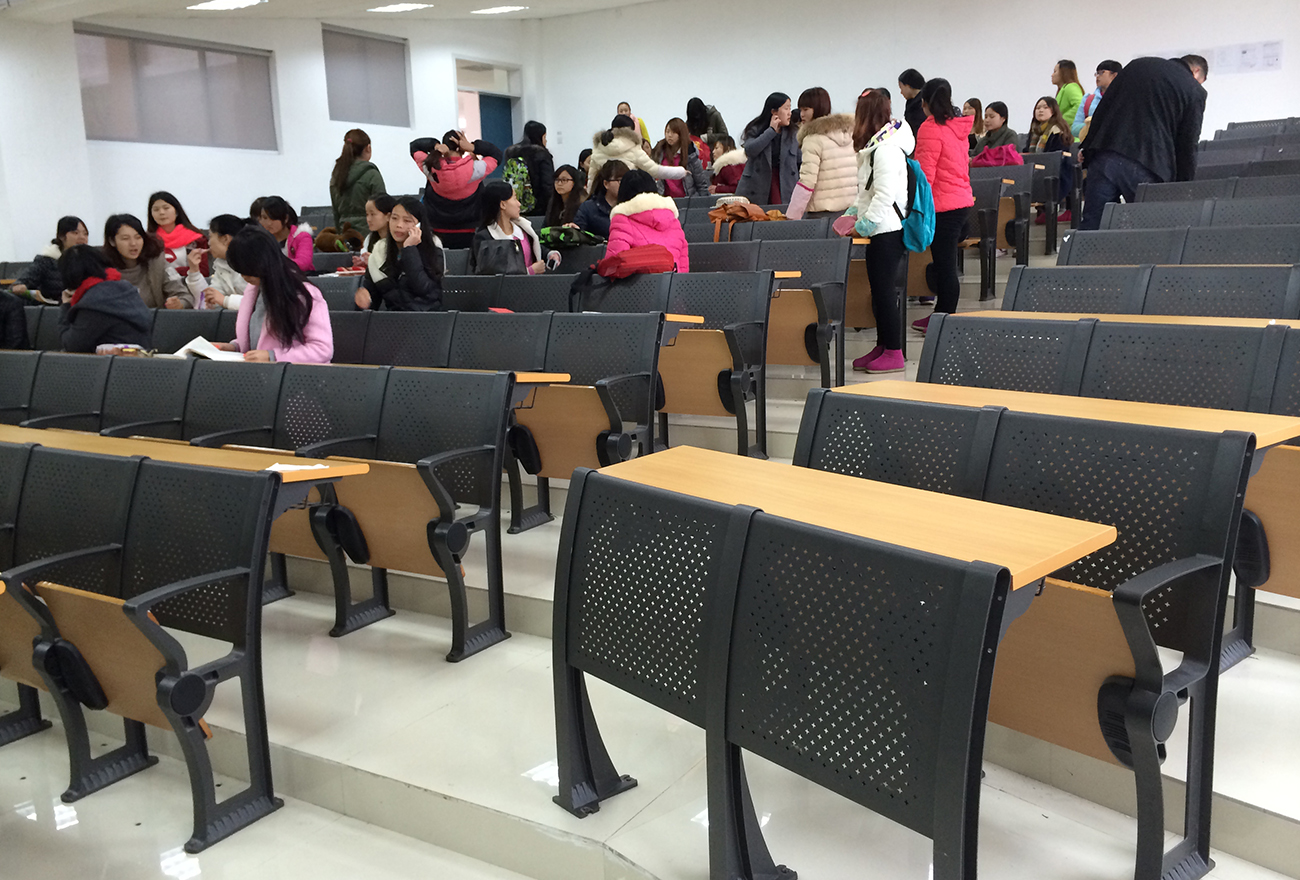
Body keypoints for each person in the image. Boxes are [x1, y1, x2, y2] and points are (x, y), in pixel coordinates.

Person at [1079, 55, 1208, 231]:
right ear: (1196, 71)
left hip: (1105, 154)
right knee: (1148, 230)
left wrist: (1088, 148)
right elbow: (1188, 142)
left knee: (1093, 226)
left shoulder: (1138, 65)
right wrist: (1182, 187)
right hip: (1150, 162)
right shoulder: (1193, 89)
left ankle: (1086, 250)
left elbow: (1104, 107)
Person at [847, 89, 914, 374]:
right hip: (877, 229)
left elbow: (885, 195)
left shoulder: (886, 149)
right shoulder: (875, 146)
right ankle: (882, 345)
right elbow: (867, 190)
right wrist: (853, 212)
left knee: (885, 293)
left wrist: (866, 223)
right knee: (877, 291)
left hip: (887, 229)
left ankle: (894, 351)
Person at [912, 78, 974, 334]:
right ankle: (943, 314)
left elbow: (924, 175)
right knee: (945, 264)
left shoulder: (930, 128)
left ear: (924, 103)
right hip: (961, 201)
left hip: (943, 205)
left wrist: (915, 206)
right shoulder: (957, 127)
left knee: (945, 264)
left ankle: (943, 318)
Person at [217, 226, 332, 363]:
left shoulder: (303, 294)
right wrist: (234, 347)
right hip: (260, 371)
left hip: (294, 373)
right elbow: (257, 339)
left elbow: (322, 349)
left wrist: (273, 356)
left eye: (247, 271)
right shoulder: (254, 290)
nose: (244, 277)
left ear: (263, 263)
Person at [412, 130, 504, 249]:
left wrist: (435, 145)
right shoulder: (476, 168)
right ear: (462, 148)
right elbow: (496, 155)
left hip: (437, 231)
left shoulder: (431, 166)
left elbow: (414, 147)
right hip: (470, 231)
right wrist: (473, 147)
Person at [55, 245, 153, 352]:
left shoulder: (94, 303)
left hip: (114, 360)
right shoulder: (125, 288)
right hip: (137, 358)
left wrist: (65, 306)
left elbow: (71, 345)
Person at [357, 196, 443, 310]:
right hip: (393, 318)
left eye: (407, 221)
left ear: (419, 226)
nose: (399, 225)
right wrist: (365, 300)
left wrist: (409, 249)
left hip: (427, 318)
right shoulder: (380, 252)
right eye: (394, 218)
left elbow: (424, 289)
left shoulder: (432, 248)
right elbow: (372, 299)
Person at [604, 170, 690, 272]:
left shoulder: (621, 221)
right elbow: (683, 266)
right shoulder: (673, 220)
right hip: (673, 280)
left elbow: (614, 266)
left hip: (638, 282)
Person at [102, 213, 193, 310]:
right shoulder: (102, 269)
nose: (133, 243)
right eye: (125, 239)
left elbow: (185, 296)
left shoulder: (158, 263)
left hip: (153, 319)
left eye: (138, 237)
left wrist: (179, 304)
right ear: (112, 241)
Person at [790, 87, 856, 218]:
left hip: (821, 213)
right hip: (849, 211)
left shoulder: (812, 139)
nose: (801, 114)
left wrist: (793, 215)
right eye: (800, 110)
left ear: (818, 108)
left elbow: (807, 181)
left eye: (806, 109)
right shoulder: (850, 135)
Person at [471, 180, 558, 276]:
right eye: (515, 198)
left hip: (534, 284)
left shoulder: (522, 227)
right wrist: (530, 271)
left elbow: (530, 248)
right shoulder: (485, 237)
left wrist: (550, 254)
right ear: (503, 204)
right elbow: (491, 272)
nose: (519, 204)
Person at [587, 115, 689, 192]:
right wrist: (680, 172)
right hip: (626, 195)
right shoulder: (633, 147)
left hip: (603, 196)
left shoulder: (599, 146)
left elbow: (591, 178)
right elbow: (654, 170)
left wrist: (589, 195)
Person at [736, 92, 800, 205]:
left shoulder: (793, 132)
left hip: (785, 184)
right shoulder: (756, 128)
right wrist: (771, 131)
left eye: (790, 108)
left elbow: (800, 161)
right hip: (759, 185)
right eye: (786, 108)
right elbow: (750, 150)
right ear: (774, 112)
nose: (789, 113)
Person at [10, 215, 88, 302]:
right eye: (75, 233)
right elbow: (26, 279)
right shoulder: (47, 260)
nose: (82, 237)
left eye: (85, 234)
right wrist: (20, 285)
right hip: (55, 307)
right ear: (61, 236)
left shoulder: (91, 261)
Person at [1026, 96, 1076, 221]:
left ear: (1053, 111)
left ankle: (1048, 210)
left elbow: (1058, 155)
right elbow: (1027, 151)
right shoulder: (1034, 131)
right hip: (1038, 168)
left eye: (1045, 107)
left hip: (1058, 169)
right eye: (1038, 108)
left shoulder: (1057, 130)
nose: (1040, 110)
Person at [330, 128, 386, 232]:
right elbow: (383, 208)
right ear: (368, 148)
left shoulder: (336, 175)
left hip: (345, 233)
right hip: (369, 234)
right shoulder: (371, 174)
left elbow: (336, 213)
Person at [190, 214, 250, 311]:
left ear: (225, 239)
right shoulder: (221, 264)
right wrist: (194, 271)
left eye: (210, 237)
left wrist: (225, 301)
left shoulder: (253, 264)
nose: (209, 243)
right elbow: (210, 299)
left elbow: (258, 303)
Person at [146, 191, 206, 279]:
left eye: (166, 208)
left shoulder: (196, 239)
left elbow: (203, 271)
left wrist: (174, 272)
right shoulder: (147, 241)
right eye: (156, 209)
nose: (161, 212)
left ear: (177, 211)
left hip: (190, 283)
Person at [503, 120, 556, 219]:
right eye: (545, 137)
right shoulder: (542, 154)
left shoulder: (511, 153)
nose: (546, 141)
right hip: (538, 206)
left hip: (514, 204)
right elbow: (547, 184)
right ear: (540, 137)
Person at [652, 118, 711, 198]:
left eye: (673, 132)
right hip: (666, 201)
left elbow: (701, 184)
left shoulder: (691, 154)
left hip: (688, 200)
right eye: (667, 131)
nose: (669, 135)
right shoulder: (659, 152)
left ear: (681, 134)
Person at [258, 196, 315, 273]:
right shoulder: (261, 239)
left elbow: (303, 263)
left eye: (273, 218)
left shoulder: (302, 236)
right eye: (264, 218)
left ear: (285, 219)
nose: (268, 223)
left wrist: (273, 266)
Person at [573, 160, 627, 238]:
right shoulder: (589, 208)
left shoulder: (633, 207)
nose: (625, 184)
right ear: (606, 184)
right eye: (620, 181)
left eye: (627, 180)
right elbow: (579, 233)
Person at [1073, 60, 1123, 137]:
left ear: (1114, 75)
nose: (1097, 76)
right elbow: (1074, 129)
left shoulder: (1124, 99)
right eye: (1096, 73)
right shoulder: (1088, 99)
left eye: (1101, 73)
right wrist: (1091, 125)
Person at [360, 193, 397, 290]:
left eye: (373, 214)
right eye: (367, 214)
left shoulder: (398, 240)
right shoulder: (369, 239)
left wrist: (374, 261)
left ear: (388, 216)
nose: (368, 219)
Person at [1052, 60, 1085, 133]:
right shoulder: (1063, 89)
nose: (1052, 75)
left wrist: (1061, 121)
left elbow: (1079, 106)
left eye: (1055, 72)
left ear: (1063, 73)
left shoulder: (1070, 87)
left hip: (1071, 135)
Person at [898, 69, 927, 136]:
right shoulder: (910, 102)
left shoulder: (925, 102)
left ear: (908, 86)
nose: (901, 92)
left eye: (901, 88)